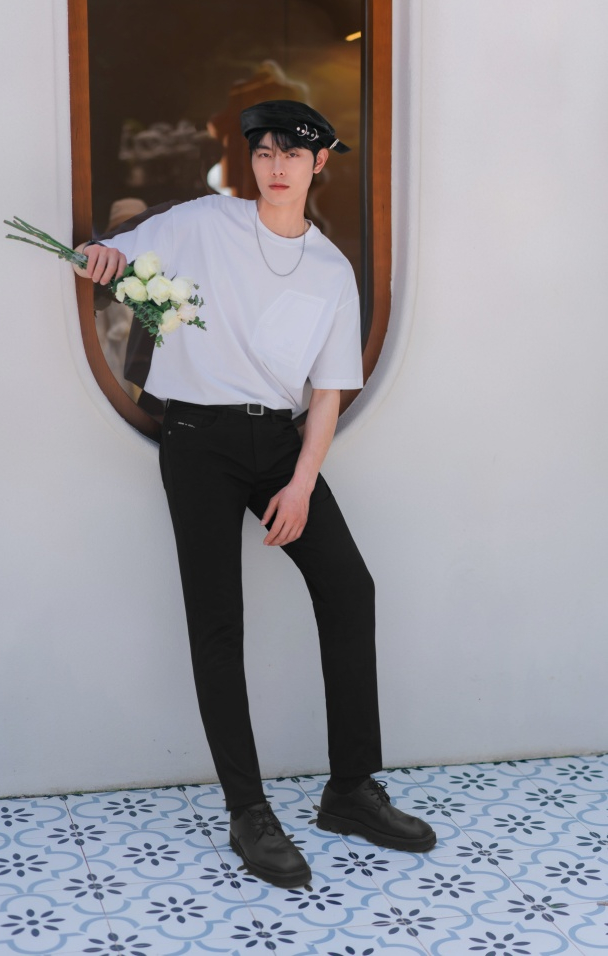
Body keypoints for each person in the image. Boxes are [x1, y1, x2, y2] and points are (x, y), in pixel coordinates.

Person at [73, 100, 436, 888]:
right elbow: (114, 253)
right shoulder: (205, 222)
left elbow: (327, 392)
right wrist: (98, 257)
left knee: (349, 588)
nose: (275, 166)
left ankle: (350, 790)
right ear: (251, 159)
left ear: (318, 164)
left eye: (292, 154)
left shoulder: (330, 270)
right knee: (218, 620)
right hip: (196, 441)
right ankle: (248, 811)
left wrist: (301, 483)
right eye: (264, 152)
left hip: (276, 442)